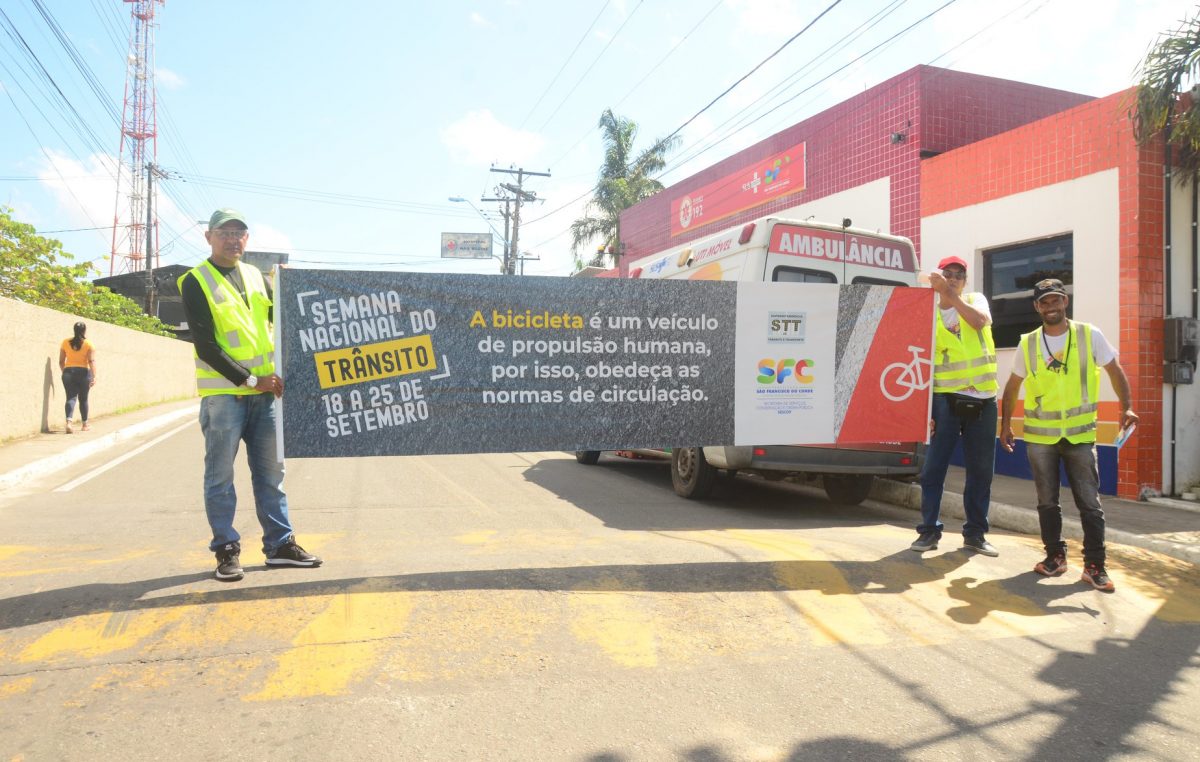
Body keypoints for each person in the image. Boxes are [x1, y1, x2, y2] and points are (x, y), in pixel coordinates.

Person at [179, 208, 322, 582]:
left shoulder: (257, 277)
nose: (233, 239)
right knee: (220, 478)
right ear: (208, 237)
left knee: (272, 474)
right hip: (226, 396)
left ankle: (280, 546)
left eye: (240, 233)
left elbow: (285, 321)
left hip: (265, 396)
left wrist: (291, 288)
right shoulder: (196, 281)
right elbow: (206, 345)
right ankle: (226, 550)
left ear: (247, 239)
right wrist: (249, 380)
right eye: (225, 232)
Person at [1000, 278, 1136, 593]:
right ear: (1037, 307)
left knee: (1089, 503)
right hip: (1040, 438)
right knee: (1047, 502)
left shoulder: (1090, 335)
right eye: (1044, 302)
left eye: (1056, 300)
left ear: (1065, 302)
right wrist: (1005, 425)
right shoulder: (1029, 343)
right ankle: (1055, 557)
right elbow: (1012, 385)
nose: (1051, 306)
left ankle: (1094, 566)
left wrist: (1126, 408)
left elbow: (1115, 371)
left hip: (1079, 436)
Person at [911, 256, 999, 556]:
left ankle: (975, 534)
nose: (952, 278)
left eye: (958, 274)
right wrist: (925, 412)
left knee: (981, 471)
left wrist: (950, 297)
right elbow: (921, 361)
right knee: (934, 469)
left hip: (983, 399)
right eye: (947, 274)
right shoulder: (928, 313)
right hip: (945, 399)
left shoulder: (975, 300)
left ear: (965, 279)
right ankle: (928, 532)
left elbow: (978, 322)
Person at [58, 321, 97, 433]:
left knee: (70, 397)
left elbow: (61, 361)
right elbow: (91, 361)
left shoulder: (65, 342)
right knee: (83, 398)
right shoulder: (88, 344)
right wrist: (94, 376)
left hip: (68, 372)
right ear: (84, 331)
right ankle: (85, 424)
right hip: (83, 372)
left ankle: (69, 423)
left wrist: (65, 371)